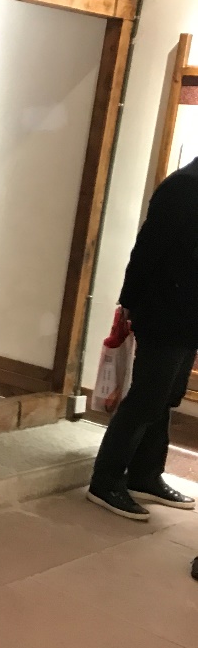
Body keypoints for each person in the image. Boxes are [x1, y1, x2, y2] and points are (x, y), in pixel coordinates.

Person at [86, 157, 198, 520]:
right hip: (165, 311)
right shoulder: (184, 186)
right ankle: (105, 481)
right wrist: (129, 302)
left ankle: (145, 475)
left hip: (188, 315)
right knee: (147, 399)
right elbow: (148, 248)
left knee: (166, 398)